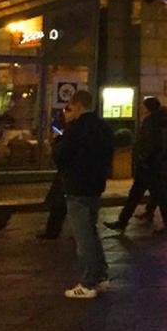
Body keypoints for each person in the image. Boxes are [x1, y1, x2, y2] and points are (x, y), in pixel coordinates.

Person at [56, 89, 114, 298]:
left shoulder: (76, 129)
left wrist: (57, 141)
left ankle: (88, 282)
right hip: (95, 185)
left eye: (69, 107)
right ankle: (100, 276)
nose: (67, 112)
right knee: (91, 231)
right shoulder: (104, 127)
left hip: (77, 185)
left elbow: (61, 155)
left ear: (78, 106)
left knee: (83, 236)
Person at [107, 96, 167, 232]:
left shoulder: (151, 123)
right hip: (149, 166)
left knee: (156, 195)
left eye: (143, 106)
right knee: (140, 195)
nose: (140, 109)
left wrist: (143, 157)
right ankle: (122, 222)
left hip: (149, 167)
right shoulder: (156, 121)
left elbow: (151, 144)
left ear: (148, 109)